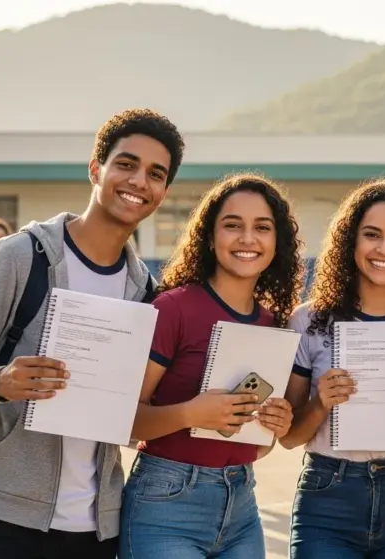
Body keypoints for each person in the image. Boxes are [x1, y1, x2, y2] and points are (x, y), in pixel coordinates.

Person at [0, 108, 184, 558]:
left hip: (99, 525)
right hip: (6, 517)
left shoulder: (145, 291)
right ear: (95, 169)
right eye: (126, 164)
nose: (139, 181)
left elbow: (137, 407)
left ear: (163, 191)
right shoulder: (19, 258)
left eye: (155, 174)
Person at [120, 174, 302, 558]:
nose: (247, 238)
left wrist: (274, 426)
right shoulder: (173, 309)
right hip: (165, 503)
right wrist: (190, 412)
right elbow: (122, 418)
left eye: (262, 228)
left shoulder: (272, 325)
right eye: (233, 225)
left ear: (277, 242)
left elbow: (256, 447)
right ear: (209, 236)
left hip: (242, 507)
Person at [280, 179, 385, 558]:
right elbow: (289, 438)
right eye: (372, 234)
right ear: (350, 242)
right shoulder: (308, 321)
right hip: (327, 497)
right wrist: (321, 402)